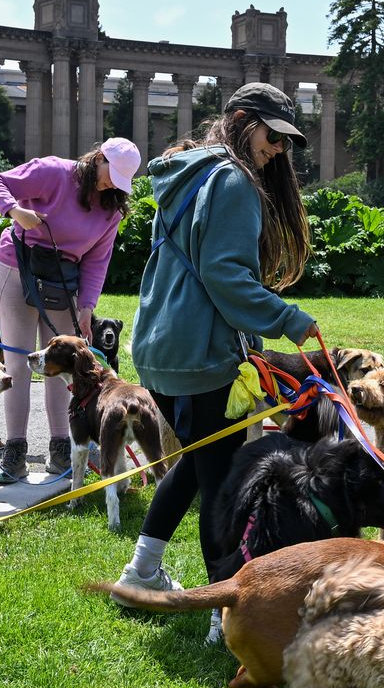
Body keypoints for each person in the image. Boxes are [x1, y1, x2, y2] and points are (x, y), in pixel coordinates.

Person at [113, 82, 315, 641]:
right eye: (273, 136)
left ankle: (143, 572)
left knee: (203, 460)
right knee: (223, 481)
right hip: (199, 350)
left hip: (160, 345)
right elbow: (228, 277)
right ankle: (222, 608)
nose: (279, 149)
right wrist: (290, 320)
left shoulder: (189, 170)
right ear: (245, 121)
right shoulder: (233, 182)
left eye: (287, 142)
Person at [0, 137, 141, 482]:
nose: (112, 185)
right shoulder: (53, 172)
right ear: (99, 157)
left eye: (121, 182)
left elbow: (97, 262)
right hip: (16, 269)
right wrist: (15, 210)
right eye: (111, 174)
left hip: (62, 284)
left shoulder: (110, 210)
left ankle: (61, 449)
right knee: (18, 363)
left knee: (62, 366)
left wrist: (87, 308)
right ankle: (16, 451)